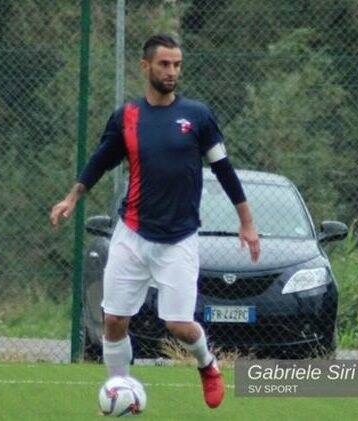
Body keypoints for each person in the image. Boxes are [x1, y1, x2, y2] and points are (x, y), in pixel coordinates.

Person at [50, 33, 259, 409]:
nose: (172, 71)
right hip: (131, 234)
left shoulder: (198, 116)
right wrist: (71, 197)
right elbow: (100, 160)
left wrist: (246, 221)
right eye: (164, 64)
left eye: (177, 65)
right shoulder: (127, 116)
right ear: (145, 66)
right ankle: (119, 390)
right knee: (114, 319)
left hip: (178, 239)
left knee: (178, 325)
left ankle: (207, 365)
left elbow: (224, 170)